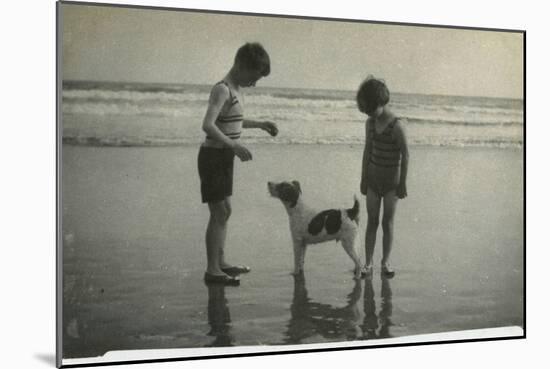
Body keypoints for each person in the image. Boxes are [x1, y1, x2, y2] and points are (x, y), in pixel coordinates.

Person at [198, 42, 278, 285]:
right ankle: (212, 270)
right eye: (253, 77)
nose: (254, 83)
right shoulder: (222, 89)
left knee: (225, 211)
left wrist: (261, 124)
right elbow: (208, 125)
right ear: (242, 66)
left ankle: (221, 263)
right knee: (219, 211)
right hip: (212, 157)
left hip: (224, 158)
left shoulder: (236, 90)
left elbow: (235, 121)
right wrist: (234, 146)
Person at [357, 76, 409, 278]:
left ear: (381, 103)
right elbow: (367, 150)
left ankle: (385, 262)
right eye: (365, 112)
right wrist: (363, 178)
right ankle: (368, 263)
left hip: (391, 185)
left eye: (370, 110)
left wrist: (403, 183)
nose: (369, 114)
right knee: (371, 222)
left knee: (387, 222)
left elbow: (406, 155)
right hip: (372, 181)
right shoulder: (369, 124)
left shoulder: (396, 126)